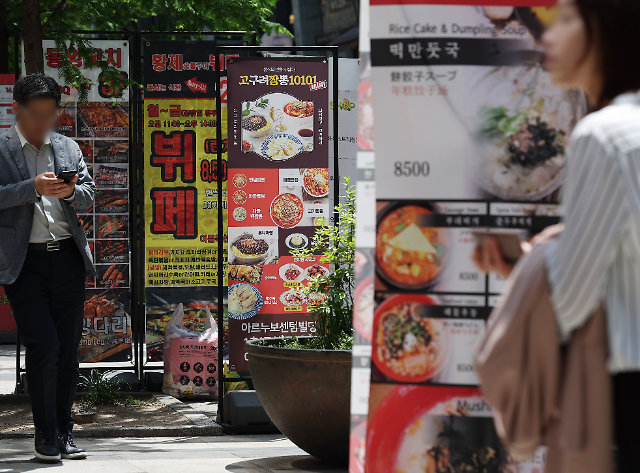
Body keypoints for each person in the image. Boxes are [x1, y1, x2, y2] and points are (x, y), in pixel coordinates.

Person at [473, 0, 640, 470]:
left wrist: (530, 260)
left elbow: (572, 298)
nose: (547, 36)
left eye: (566, 20)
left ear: (607, 31)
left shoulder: (603, 134)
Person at [0, 74, 95, 462]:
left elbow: (89, 195)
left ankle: (64, 431)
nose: (42, 123)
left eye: (49, 114)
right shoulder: (2, 147)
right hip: (24, 263)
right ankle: (45, 436)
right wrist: (31, 187)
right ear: (16, 109)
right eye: (33, 114)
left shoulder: (67, 146)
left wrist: (71, 191)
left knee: (67, 352)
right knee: (45, 346)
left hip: (68, 258)